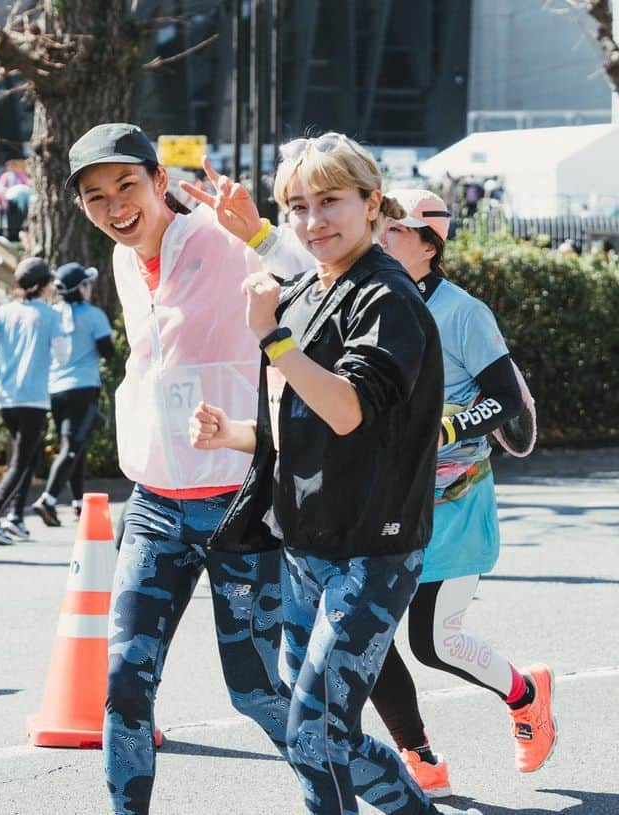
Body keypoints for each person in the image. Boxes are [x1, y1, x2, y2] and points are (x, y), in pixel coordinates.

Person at [186, 133, 480, 815]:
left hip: (371, 547)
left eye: (330, 201)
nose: (314, 220)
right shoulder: (312, 287)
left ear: (372, 202)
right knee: (323, 729)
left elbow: (347, 409)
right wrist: (235, 434)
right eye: (298, 205)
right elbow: (309, 422)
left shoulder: (387, 297)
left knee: (313, 732)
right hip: (305, 542)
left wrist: (272, 339)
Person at [68, 122, 314, 815]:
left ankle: (390, 794)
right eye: (95, 196)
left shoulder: (218, 235)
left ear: (159, 180)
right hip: (154, 501)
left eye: (126, 186)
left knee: (259, 691)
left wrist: (263, 234)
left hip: (238, 503)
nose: (115, 206)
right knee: (124, 683)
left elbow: (321, 286)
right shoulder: (120, 261)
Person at [369, 188, 554, 794]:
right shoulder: (369, 300)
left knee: (432, 642)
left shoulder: (465, 312)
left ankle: (525, 694)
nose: (381, 238)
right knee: (363, 633)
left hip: (453, 502)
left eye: (396, 231)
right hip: (381, 498)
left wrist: (444, 425)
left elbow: (506, 398)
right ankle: (418, 756)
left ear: (429, 245)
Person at [0, 257, 66, 545]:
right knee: (21, 461)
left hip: (6, 396)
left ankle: (16, 518)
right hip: (34, 397)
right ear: (42, 286)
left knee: (25, 456)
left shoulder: (5, 311)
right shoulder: (51, 316)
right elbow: (62, 355)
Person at [31, 262, 114, 526]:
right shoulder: (93, 315)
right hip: (84, 387)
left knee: (74, 446)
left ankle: (80, 503)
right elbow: (108, 352)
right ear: (82, 288)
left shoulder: (54, 314)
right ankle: (49, 499)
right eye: (88, 283)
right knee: (72, 446)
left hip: (56, 389)